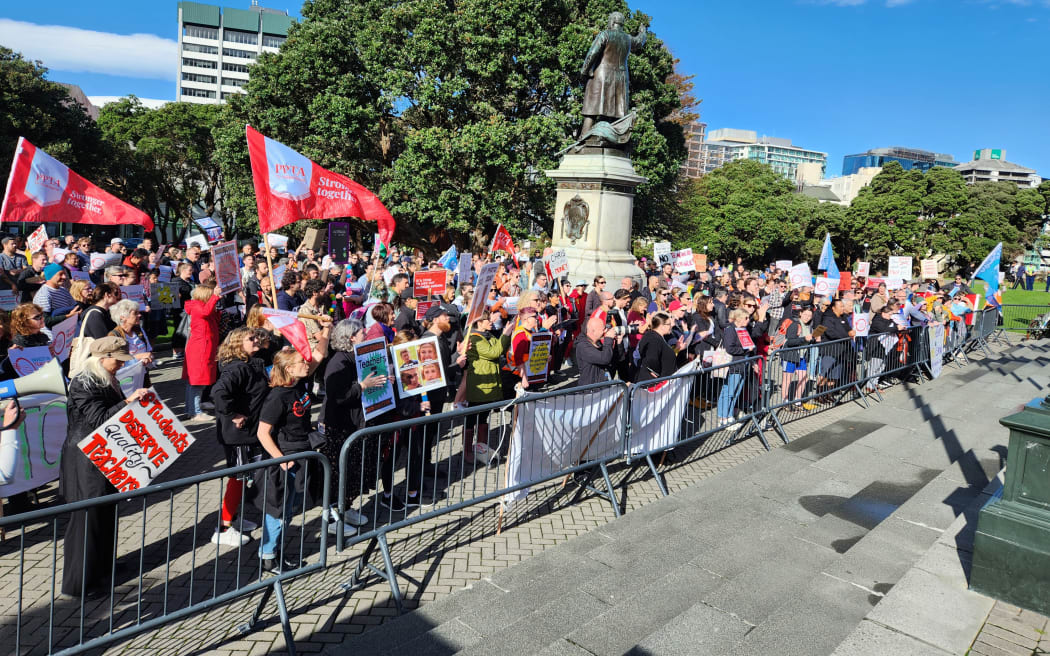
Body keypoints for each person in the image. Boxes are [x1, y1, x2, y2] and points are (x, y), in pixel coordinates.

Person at [59, 337, 150, 597]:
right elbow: (99, 418)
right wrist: (129, 401)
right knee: (87, 519)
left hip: (103, 456)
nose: (121, 364)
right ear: (102, 358)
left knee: (106, 512)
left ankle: (103, 566)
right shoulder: (83, 382)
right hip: (85, 460)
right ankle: (79, 583)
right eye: (117, 360)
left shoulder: (105, 377)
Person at [255, 327, 332, 573]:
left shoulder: (301, 383)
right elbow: (262, 433)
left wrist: (327, 331)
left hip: (302, 452)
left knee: (288, 509)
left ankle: (275, 552)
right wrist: (281, 460)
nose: (305, 364)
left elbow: (319, 355)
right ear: (288, 369)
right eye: (300, 362)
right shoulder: (277, 397)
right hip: (287, 457)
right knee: (278, 509)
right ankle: (268, 556)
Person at [317, 319, 385, 531]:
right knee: (338, 471)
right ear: (351, 338)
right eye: (361, 332)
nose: (365, 334)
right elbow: (338, 396)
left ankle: (345, 507)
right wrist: (362, 386)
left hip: (356, 423)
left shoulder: (356, 357)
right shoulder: (338, 362)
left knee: (354, 470)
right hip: (340, 425)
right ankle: (331, 517)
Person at [210, 327, 270, 547]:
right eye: (250, 338)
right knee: (237, 478)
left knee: (244, 478)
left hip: (248, 433)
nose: (256, 340)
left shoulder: (249, 364)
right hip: (238, 435)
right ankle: (224, 528)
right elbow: (218, 393)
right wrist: (233, 414)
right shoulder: (236, 368)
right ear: (237, 343)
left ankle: (233, 517)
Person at [462, 311, 512, 465]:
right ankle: (467, 451)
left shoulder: (486, 336)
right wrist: (505, 335)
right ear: (479, 322)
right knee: (472, 418)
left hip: (489, 382)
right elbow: (494, 352)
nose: (491, 321)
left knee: (484, 417)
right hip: (479, 384)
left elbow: (499, 349)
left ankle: (481, 448)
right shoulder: (475, 339)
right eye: (487, 319)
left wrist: (503, 337)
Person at [183, 280, 221, 422]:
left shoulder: (202, 305)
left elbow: (213, 318)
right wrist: (215, 297)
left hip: (204, 347)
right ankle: (195, 412)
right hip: (200, 348)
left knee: (195, 381)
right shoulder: (198, 306)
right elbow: (205, 313)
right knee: (197, 381)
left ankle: (191, 409)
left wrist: (215, 305)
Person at [717, 309, 756, 426]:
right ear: (739, 318)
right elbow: (730, 348)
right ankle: (723, 417)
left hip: (743, 363)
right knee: (728, 391)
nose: (748, 320)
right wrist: (745, 350)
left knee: (736, 391)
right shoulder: (730, 330)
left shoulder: (743, 330)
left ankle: (729, 415)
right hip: (733, 364)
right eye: (746, 318)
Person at [108, 299, 155, 374]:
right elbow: (115, 362)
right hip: (125, 379)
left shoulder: (139, 330)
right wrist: (138, 357)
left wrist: (147, 358)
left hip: (143, 375)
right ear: (122, 317)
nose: (139, 315)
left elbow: (149, 351)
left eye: (138, 312)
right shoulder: (114, 335)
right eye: (135, 313)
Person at [635, 313, 678, 382]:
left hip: (661, 381)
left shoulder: (657, 337)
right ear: (662, 326)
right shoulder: (653, 338)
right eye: (669, 324)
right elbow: (651, 358)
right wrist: (656, 373)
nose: (671, 326)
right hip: (654, 383)